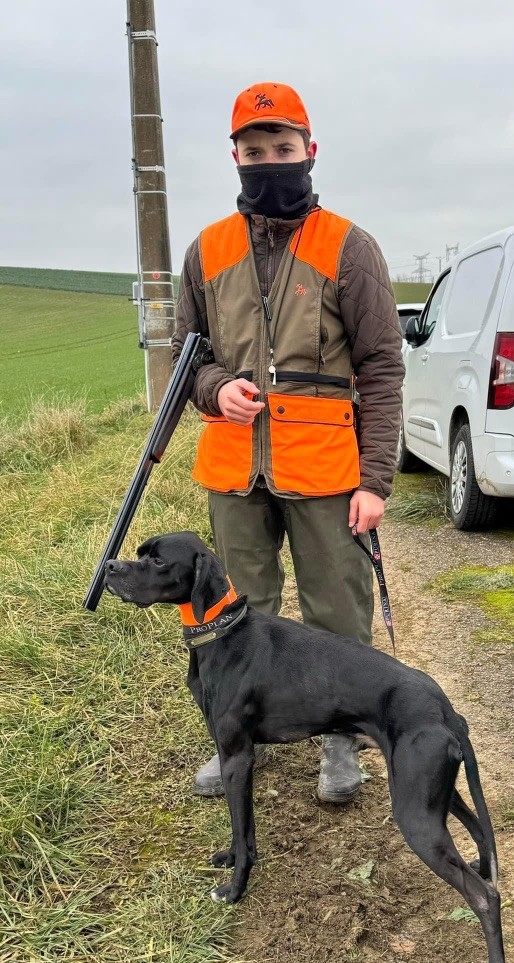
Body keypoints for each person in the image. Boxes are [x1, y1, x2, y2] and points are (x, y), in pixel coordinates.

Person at [171, 82, 404, 804]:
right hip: (234, 468)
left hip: (329, 471)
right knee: (240, 612)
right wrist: (215, 389)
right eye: (254, 149)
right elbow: (185, 354)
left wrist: (375, 480)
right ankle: (240, 733)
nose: (269, 160)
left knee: (337, 611)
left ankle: (341, 739)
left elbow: (382, 366)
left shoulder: (349, 246)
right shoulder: (207, 249)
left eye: (282, 147)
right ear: (234, 156)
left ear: (310, 150)